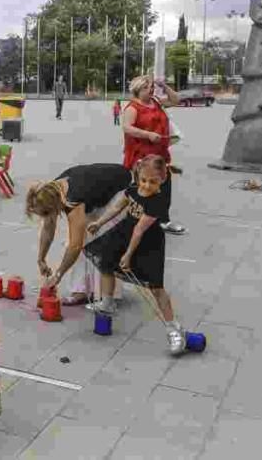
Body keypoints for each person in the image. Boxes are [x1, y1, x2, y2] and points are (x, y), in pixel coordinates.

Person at [83, 155, 187, 354]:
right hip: (124, 233)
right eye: (143, 180)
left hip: (148, 243)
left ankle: (174, 329)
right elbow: (117, 206)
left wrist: (128, 255)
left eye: (153, 182)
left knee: (156, 288)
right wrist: (100, 222)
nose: (146, 186)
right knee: (106, 261)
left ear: (162, 180)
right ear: (138, 177)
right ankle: (107, 302)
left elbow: (140, 230)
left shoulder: (158, 202)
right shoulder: (132, 189)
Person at [26, 163, 131, 306]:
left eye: (45, 213)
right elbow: (48, 227)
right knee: (83, 240)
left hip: (118, 190)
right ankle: (80, 290)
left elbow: (75, 245)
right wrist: (41, 259)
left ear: (54, 205)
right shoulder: (50, 192)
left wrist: (58, 275)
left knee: (104, 241)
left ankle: (107, 296)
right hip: (93, 194)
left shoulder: (72, 200)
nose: (45, 217)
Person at [122, 75, 185, 235]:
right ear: (138, 90)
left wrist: (164, 86)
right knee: (143, 189)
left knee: (164, 188)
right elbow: (127, 128)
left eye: (151, 87)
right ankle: (136, 222)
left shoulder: (156, 101)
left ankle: (163, 221)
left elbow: (176, 100)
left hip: (160, 154)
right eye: (147, 87)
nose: (151, 90)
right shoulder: (132, 108)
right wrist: (147, 134)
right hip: (141, 156)